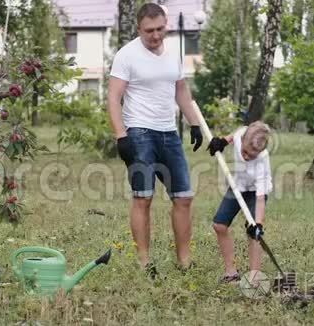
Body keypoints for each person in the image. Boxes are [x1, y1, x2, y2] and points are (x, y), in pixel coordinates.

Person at [107, 3, 203, 277]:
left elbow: (181, 90)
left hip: (169, 134)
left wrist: (193, 122)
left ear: (165, 25)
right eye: (150, 31)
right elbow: (113, 97)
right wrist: (121, 135)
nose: (156, 35)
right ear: (139, 29)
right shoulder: (127, 55)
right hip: (139, 134)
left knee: (183, 197)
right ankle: (144, 261)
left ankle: (184, 261)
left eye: (161, 29)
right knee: (143, 198)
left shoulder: (173, 54)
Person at [207, 121, 273, 284]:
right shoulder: (240, 134)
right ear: (242, 140)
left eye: (251, 156)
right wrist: (221, 142)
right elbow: (231, 138)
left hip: (255, 192)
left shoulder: (261, 161)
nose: (245, 157)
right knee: (219, 225)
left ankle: (255, 277)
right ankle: (231, 273)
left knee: (253, 234)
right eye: (244, 152)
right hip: (237, 186)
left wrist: (257, 224)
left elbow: (259, 198)